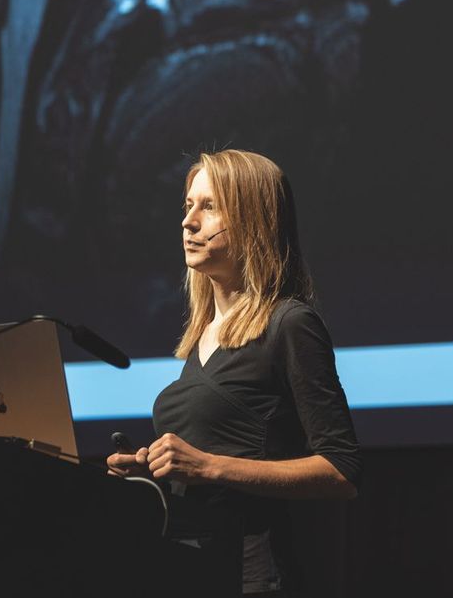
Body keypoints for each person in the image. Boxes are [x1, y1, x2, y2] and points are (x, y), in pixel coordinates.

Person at [107, 148, 360, 595]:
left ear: (253, 220)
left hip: (254, 574)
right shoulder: (202, 339)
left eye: (209, 207)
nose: (188, 222)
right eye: (188, 205)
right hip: (193, 566)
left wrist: (208, 466)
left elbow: (341, 471)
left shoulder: (289, 324)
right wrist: (150, 471)